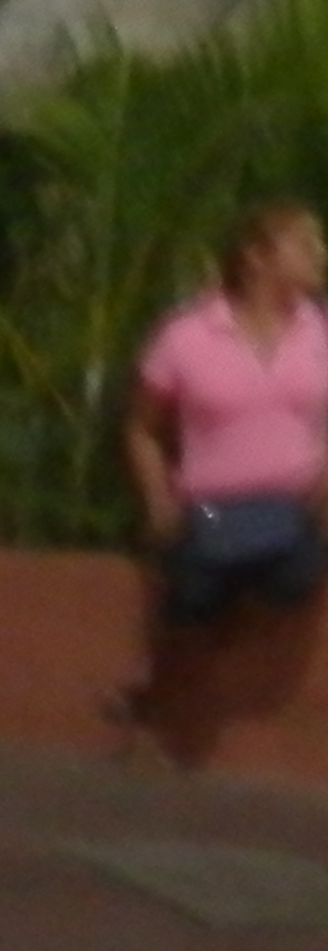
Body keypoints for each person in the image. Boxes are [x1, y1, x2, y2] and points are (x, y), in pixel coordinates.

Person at [125, 202, 328, 674]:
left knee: (293, 570)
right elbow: (141, 427)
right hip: (213, 508)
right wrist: (158, 499)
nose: (319, 253)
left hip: (297, 506)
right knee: (199, 575)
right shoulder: (186, 336)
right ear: (256, 257)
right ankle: (168, 675)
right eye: (304, 244)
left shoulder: (319, 332)